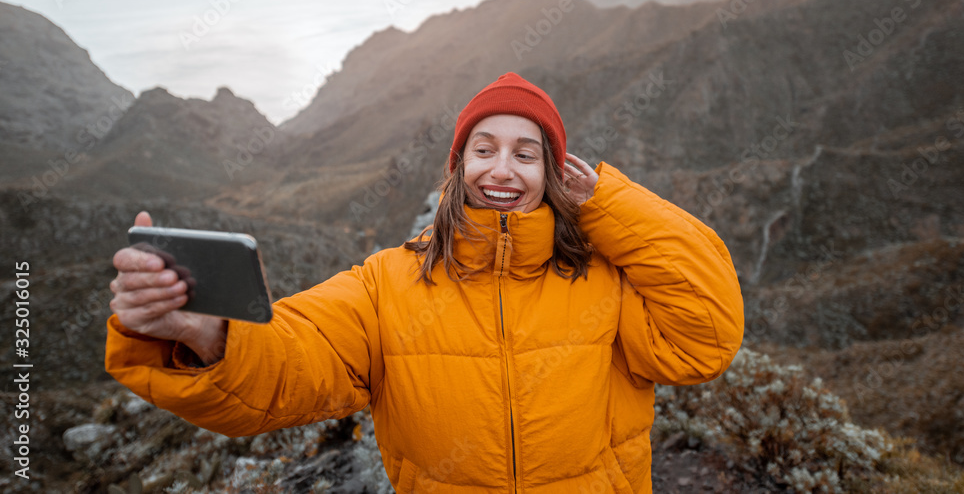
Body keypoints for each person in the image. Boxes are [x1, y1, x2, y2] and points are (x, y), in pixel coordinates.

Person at [106, 72, 744, 492]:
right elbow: (296, 361)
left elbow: (705, 338)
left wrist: (610, 205)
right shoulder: (389, 283)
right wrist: (208, 334)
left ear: (553, 176)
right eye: (484, 148)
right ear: (458, 166)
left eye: (527, 154)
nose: (502, 168)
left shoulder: (603, 280)